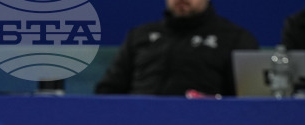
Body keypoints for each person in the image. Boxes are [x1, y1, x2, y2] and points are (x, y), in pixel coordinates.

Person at [95, 0, 258, 96]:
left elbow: (248, 104)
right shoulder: (139, 36)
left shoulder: (236, 39)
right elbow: (107, 91)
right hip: (138, 123)